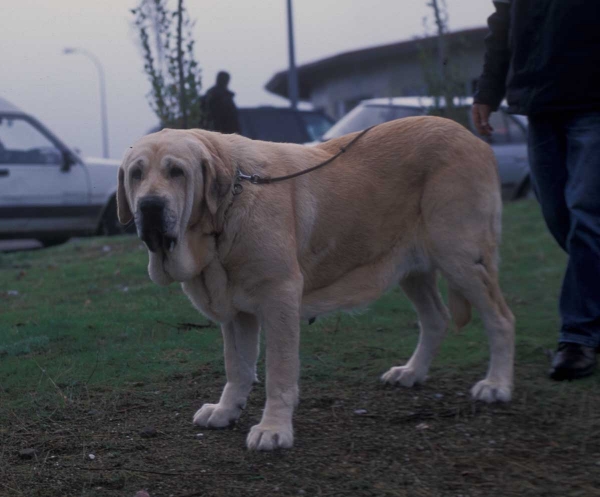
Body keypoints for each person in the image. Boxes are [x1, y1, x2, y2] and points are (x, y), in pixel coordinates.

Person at [472, 0, 600, 381]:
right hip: (540, 98)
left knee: (587, 214)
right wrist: (488, 90)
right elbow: (503, 21)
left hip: (594, 99)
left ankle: (577, 336)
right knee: (558, 213)